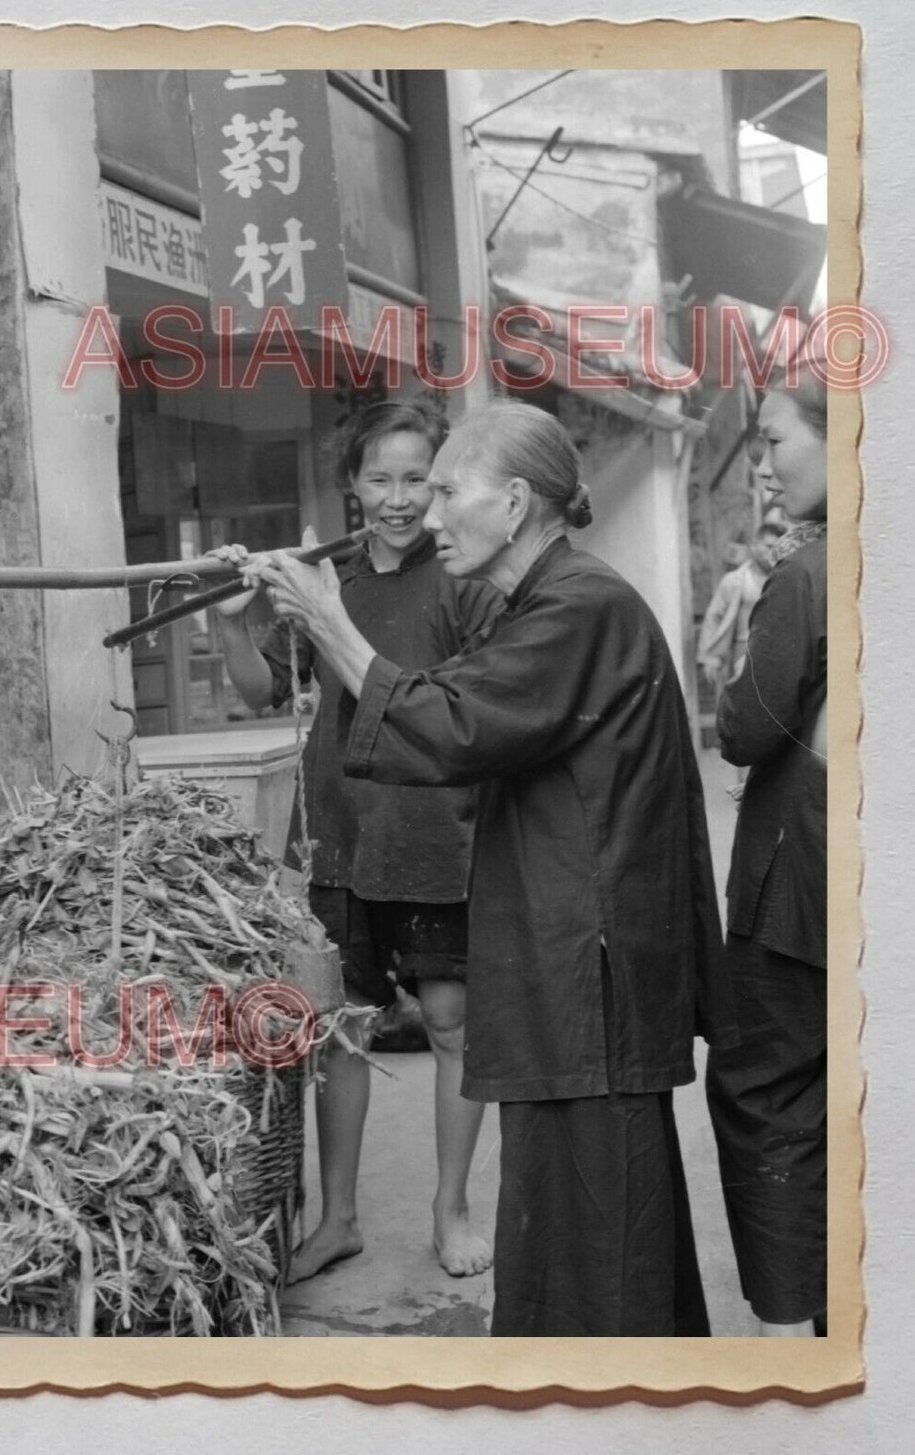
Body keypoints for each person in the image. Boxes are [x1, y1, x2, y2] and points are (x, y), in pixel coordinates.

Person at [241, 399, 736, 1335]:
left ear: (513, 504)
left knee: (603, 1223)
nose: (425, 515)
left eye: (444, 490)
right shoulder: (542, 601)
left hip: (587, 971)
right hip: (564, 961)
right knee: (570, 1221)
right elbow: (451, 696)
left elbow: (452, 723)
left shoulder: (580, 608)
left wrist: (329, 619)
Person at [212, 396, 502, 1283]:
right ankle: (337, 1218)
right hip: (339, 833)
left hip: (440, 832)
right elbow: (262, 692)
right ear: (351, 486)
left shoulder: (463, 577)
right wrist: (230, 621)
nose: (399, 498)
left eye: (417, 478)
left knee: (452, 1025)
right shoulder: (322, 576)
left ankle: (449, 1209)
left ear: (441, 485)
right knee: (340, 1030)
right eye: (380, 478)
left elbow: (476, 715)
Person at [704, 367, 828, 1337]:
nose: (763, 464)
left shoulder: (803, 573)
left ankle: (789, 1330)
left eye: (776, 439)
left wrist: (734, 666)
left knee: (766, 1093)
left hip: (799, 884)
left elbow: (743, 730)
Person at [697, 523, 783, 704]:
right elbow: (714, 617)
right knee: (743, 705)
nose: (773, 553)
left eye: (778, 548)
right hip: (742, 652)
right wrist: (710, 658)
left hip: (777, 653)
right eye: (768, 547)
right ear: (754, 545)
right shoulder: (734, 581)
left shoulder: (784, 580)